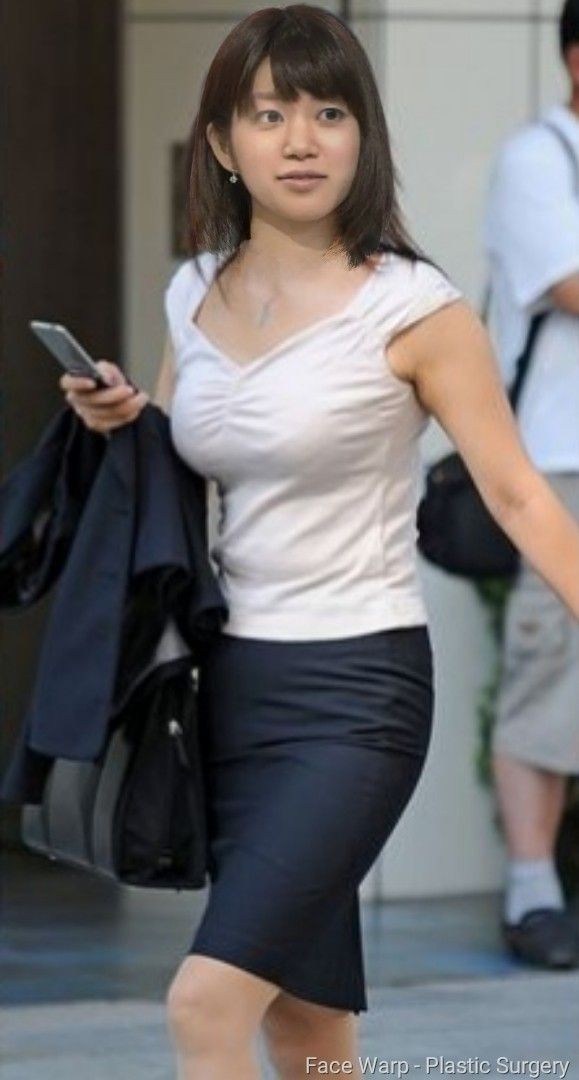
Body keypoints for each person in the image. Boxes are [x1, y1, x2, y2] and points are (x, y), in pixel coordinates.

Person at [60, 5, 579, 1078]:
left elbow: (519, 493)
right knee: (308, 1028)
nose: (300, 140)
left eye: (328, 112)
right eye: (269, 114)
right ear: (222, 142)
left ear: (362, 136)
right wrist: (124, 418)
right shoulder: (193, 292)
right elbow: (184, 463)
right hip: (228, 689)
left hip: (359, 694)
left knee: (205, 1004)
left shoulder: (415, 309)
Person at [483, 0, 579, 972]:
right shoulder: (538, 159)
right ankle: (531, 889)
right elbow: (568, 282)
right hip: (557, 459)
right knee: (550, 668)